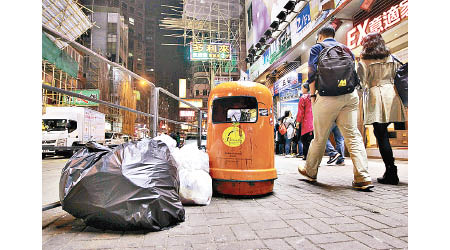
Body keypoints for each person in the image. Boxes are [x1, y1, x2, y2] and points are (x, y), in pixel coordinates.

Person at [297, 25, 374, 190]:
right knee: (353, 136)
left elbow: (311, 74)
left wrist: (312, 96)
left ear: (320, 37)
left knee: (320, 137)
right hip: (350, 95)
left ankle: (310, 172)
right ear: (333, 35)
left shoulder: (317, 48)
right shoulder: (346, 49)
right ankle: (363, 177)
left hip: (326, 96)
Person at [357, 32, 407, 185]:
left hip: (375, 97)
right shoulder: (391, 57)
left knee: (381, 135)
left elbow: (362, 82)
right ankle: (390, 170)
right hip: (392, 95)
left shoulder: (364, 60)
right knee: (383, 133)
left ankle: (391, 171)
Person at [296, 83, 314, 160]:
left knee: (304, 139)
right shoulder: (313, 97)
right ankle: (313, 156)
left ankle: (307, 155)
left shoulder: (303, 97)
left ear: (306, 89)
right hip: (315, 122)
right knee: (312, 140)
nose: (301, 89)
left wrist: (298, 122)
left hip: (306, 122)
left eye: (302, 88)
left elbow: (301, 111)